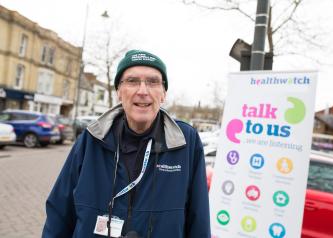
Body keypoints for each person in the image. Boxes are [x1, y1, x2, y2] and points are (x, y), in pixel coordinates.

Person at [42, 50, 211, 238]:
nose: (143, 91)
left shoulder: (186, 141)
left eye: (153, 82)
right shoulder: (92, 139)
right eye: (132, 81)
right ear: (119, 92)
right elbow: (59, 212)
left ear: (163, 93)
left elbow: (199, 218)